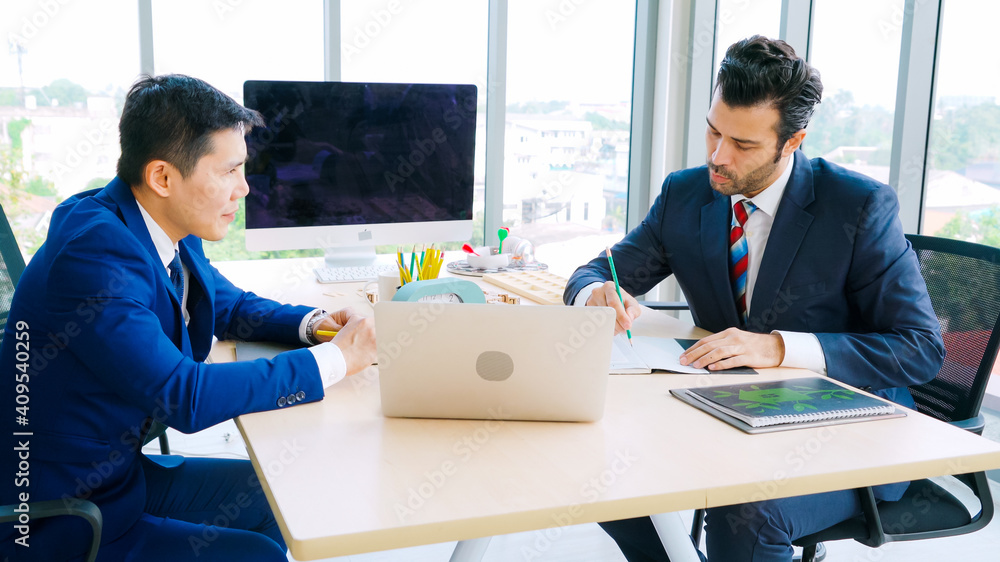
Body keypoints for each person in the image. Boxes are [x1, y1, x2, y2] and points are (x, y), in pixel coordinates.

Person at [564, 36, 944, 561]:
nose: (718, 156)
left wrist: (779, 348)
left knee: (745, 512)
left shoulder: (856, 208)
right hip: (725, 416)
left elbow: (920, 348)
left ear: (792, 142)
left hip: (847, 435)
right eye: (714, 131)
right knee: (603, 474)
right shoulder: (687, 193)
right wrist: (596, 295)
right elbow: (594, 272)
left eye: (742, 145)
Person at [0, 74, 376, 561]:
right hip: (62, 515)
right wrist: (335, 363)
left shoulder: (161, 220)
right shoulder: (94, 252)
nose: (243, 188)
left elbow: (228, 306)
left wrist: (316, 325)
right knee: (256, 554)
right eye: (228, 171)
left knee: (278, 498)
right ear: (162, 176)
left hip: (116, 478)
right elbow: (186, 396)